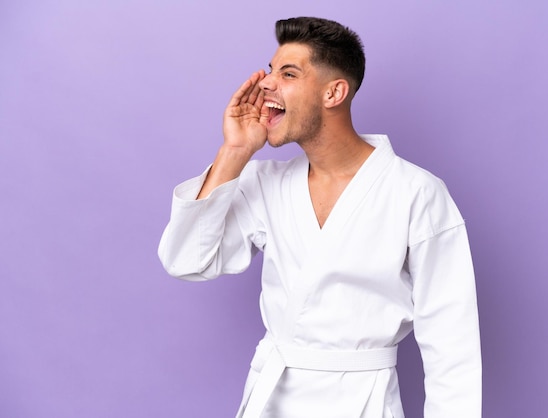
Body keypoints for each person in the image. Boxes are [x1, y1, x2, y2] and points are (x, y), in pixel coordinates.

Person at [158, 16, 482, 418]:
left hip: (364, 403)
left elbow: (453, 346)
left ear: (334, 92)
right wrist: (235, 152)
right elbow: (185, 261)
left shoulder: (416, 193)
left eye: (288, 73)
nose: (266, 83)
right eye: (271, 70)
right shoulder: (265, 182)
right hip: (272, 400)